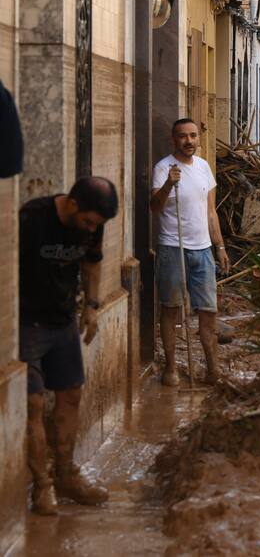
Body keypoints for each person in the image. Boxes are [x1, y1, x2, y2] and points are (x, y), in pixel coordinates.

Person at [19, 176, 119, 515]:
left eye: (98, 226)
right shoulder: (32, 219)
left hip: (63, 320)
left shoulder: (93, 224)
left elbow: (92, 263)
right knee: (32, 404)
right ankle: (42, 488)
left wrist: (92, 306)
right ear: (73, 204)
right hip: (26, 323)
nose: (92, 230)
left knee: (71, 395)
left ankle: (66, 474)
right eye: (89, 222)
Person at [150, 118, 228, 386]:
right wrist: (169, 185)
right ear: (174, 139)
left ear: (199, 138)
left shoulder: (204, 167)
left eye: (193, 135)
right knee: (170, 308)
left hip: (203, 250)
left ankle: (213, 369)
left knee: (208, 311)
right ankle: (171, 368)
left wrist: (220, 246)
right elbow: (154, 207)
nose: (189, 141)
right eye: (183, 136)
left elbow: (211, 211)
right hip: (173, 247)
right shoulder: (163, 168)